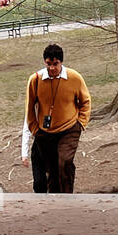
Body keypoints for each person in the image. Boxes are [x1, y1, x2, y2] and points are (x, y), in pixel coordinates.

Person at [25, 43, 91, 193]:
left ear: (61, 62)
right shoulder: (35, 80)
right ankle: (55, 199)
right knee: (52, 168)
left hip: (69, 128)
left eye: (56, 64)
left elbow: (85, 101)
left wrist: (81, 123)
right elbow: (29, 108)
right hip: (45, 131)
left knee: (65, 162)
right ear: (45, 62)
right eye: (49, 64)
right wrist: (35, 129)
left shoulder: (74, 77)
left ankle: (67, 197)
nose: (52, 68)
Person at [21, 110, 48, 193]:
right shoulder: (32, 108)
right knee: (39, 182)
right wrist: (24, 154)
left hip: (55, 146)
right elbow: (26, 129)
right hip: (38, 147)